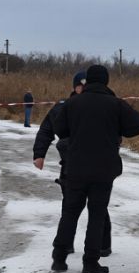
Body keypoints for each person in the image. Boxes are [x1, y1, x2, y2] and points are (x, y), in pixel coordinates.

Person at [50, 64, 139, 273]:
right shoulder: (115, 104)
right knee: (97, 215)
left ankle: (59, 258)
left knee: (70, 212)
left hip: (75, 168)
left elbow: (59, 129)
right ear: (106, 81)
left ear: (87, 81)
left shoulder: (73, 103)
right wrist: (117, 127)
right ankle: (90, 263)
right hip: (104, 170)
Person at [33, 71, 112, 258]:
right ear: (74, 87)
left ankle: (103, 245)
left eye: (87, 85)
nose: (84, 89)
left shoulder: (102, 104)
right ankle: (65, 245)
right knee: (70, 205)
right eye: (80, 86)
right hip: (71, 164)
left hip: (96, 164)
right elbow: (46, 130)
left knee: (99, 207)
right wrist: (39, 154)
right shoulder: (63, 107)